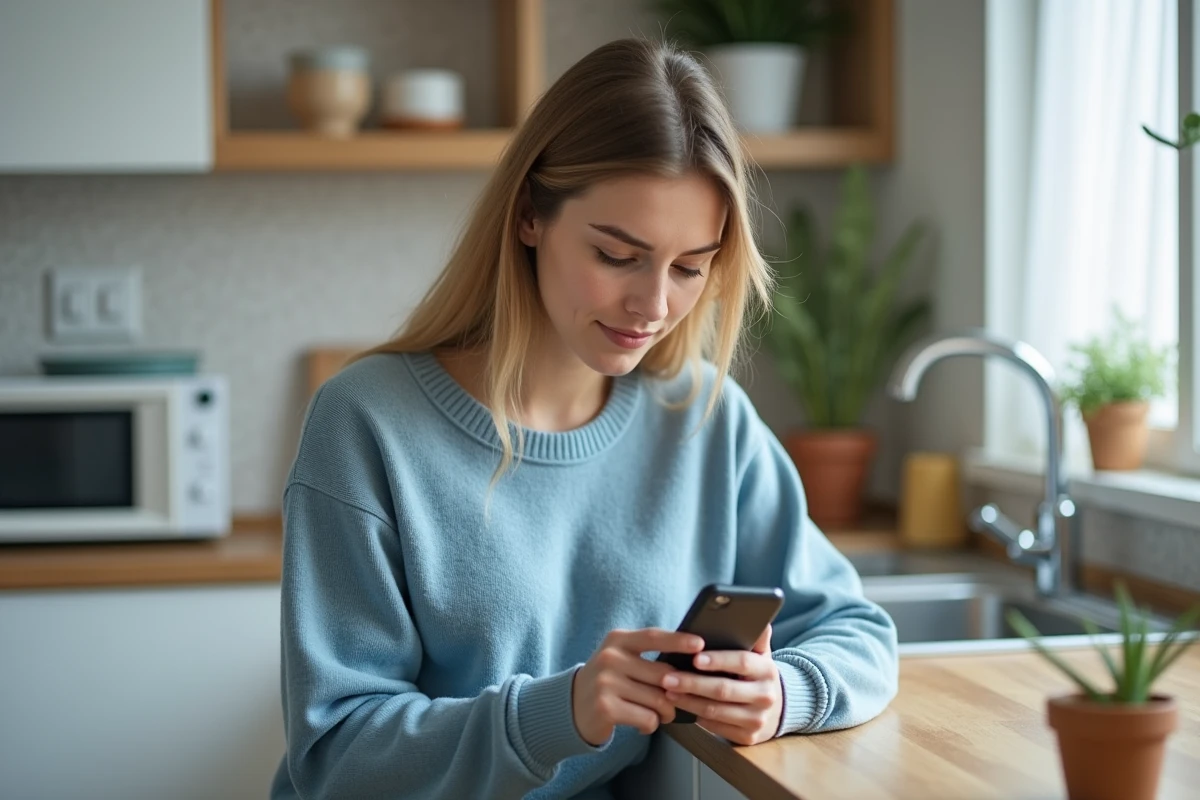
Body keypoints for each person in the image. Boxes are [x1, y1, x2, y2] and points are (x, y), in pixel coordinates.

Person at [269, 37, 898, 800]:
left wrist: (785, 693)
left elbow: (861, 635)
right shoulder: (366, 423)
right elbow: (336, 760)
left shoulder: (704, 419)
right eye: (617, 254)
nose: (655, 305)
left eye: (690, 266)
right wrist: (556, 713)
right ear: (530, 214)